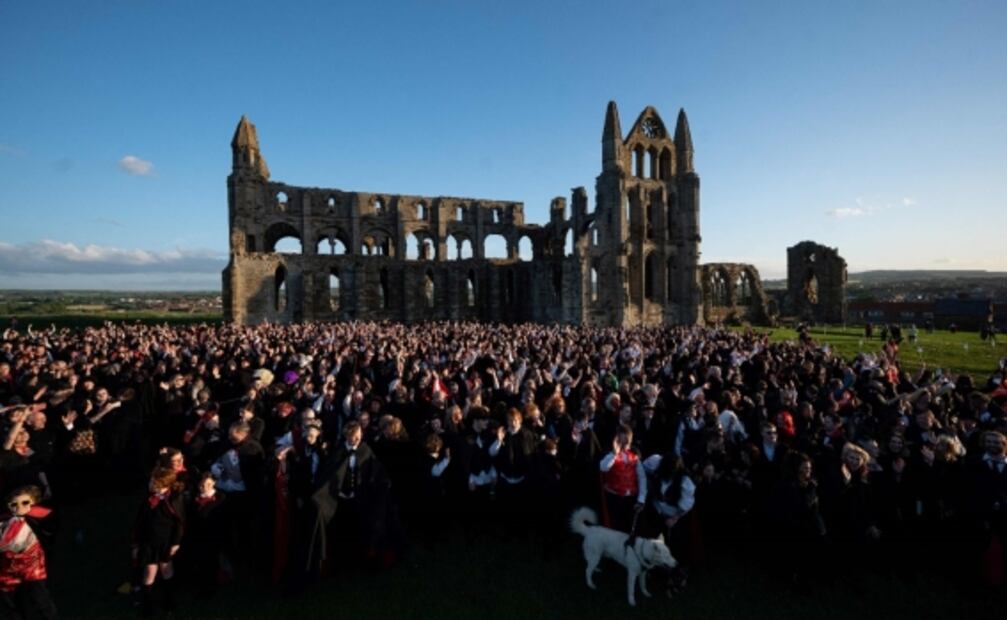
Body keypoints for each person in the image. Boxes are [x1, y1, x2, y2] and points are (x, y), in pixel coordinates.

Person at [132, 467, 185, 615]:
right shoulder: (148, 500)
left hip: (166, 543)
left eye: (153, 482)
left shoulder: (173, 500)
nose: (150, 483)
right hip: (149, 543)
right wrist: (136, 544)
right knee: (149, 572)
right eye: (151, 481)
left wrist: (175, 543)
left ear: (163, 485)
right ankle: (148, 605)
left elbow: (180, 523)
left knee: (166, 570)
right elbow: (139, 523)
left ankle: (169, 602)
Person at [0, 485, 57, 620]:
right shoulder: (6, 520)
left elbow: (49, 523)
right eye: (14, 504)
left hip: (32, 566)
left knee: (40, 599)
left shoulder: (37, 517)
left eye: (25, 502)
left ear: (34, 502)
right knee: (11, 602)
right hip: (8, 568)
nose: (19, 507)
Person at [599, 424, 646, 533]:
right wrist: (614, 454)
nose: (624, 444)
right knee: (616, 529)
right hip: (615, 498)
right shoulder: (610, 453)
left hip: (631, 499)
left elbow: (642, 478)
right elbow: (603, 467)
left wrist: (641, 498)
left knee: (630, 529)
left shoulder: (635, 455)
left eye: (626, 441)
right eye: (621, 440)